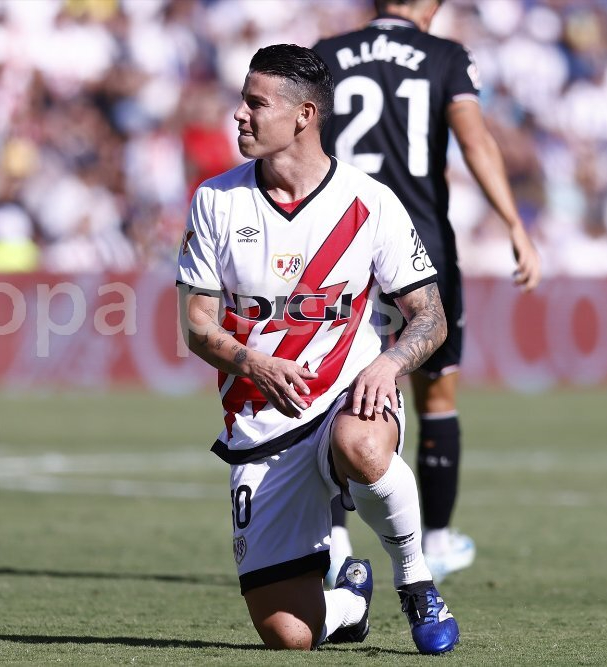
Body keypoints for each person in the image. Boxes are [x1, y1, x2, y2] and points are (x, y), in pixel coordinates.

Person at [176, 43, 460, 654]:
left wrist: (388, 363)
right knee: (288, 636)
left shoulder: (370, 200)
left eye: (256, 104)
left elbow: (430, 317)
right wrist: (251, 360)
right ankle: (350, 602)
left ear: (304, 115)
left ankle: (415, 579)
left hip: (348, 394)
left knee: (360, 445)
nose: (240, 116)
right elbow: (197, 326)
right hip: (260, 422)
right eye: (242, 102)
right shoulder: (216, 200)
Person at [313, 0, 542, 585]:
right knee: (437, 395)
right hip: (420, 247)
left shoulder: (328, 55)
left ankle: (333, 546)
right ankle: (435, 541)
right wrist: (515, 223)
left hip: (339, 244)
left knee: (329, 392)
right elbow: (475, 142)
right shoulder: (444, 56)